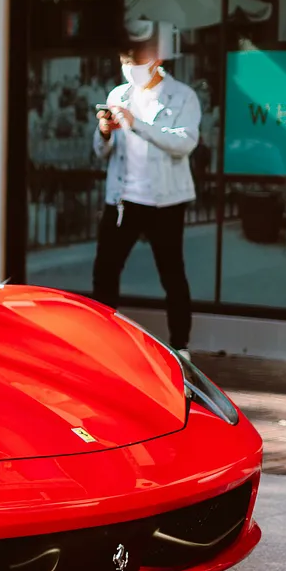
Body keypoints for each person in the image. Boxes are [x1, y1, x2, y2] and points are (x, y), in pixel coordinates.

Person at [92, 20, 200, 357]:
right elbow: (100, 152)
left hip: (165, 201)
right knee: (105, 270)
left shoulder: (183, 97)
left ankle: (181, 346)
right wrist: (105, 132)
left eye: (135, 63)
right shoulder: (117, 95)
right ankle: (102, 339)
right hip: (123, 198)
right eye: (124, 62)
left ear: (157, 62)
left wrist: (137, 125)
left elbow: (185, 143)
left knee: (172, 274)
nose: (129, 70)